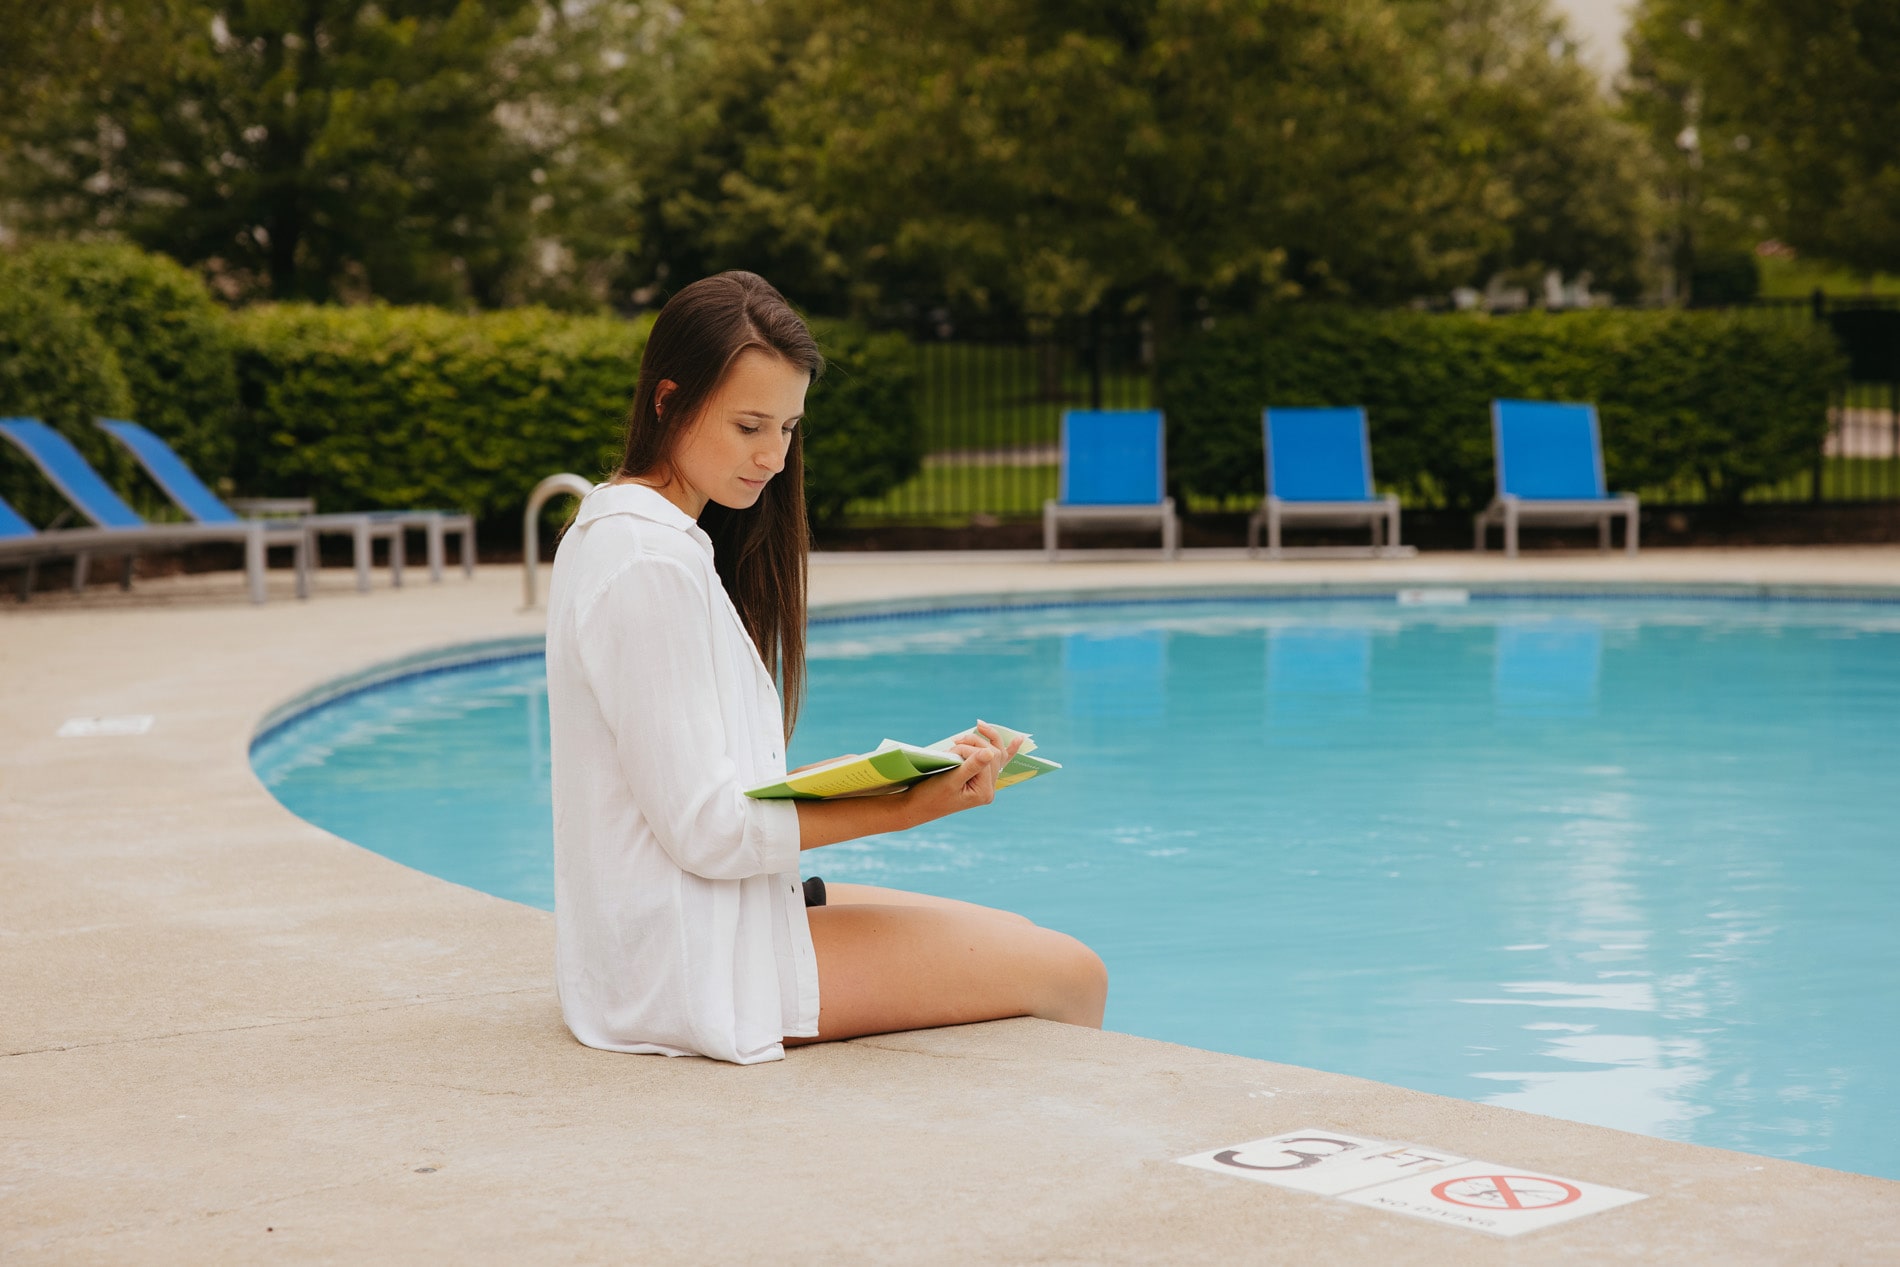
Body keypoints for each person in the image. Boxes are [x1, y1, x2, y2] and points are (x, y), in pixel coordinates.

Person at [545, 271, 1107, 1065]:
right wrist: (912, 809)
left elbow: (705, 789)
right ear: (669, 398)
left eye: (787, 427)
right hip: (693, 968)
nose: (773, 457)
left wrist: (914, 769)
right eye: (748, 425)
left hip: (688, 931)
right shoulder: (647, 561)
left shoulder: (634, 536)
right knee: (1072, 973)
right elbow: (711, 831)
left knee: (1022, 939)